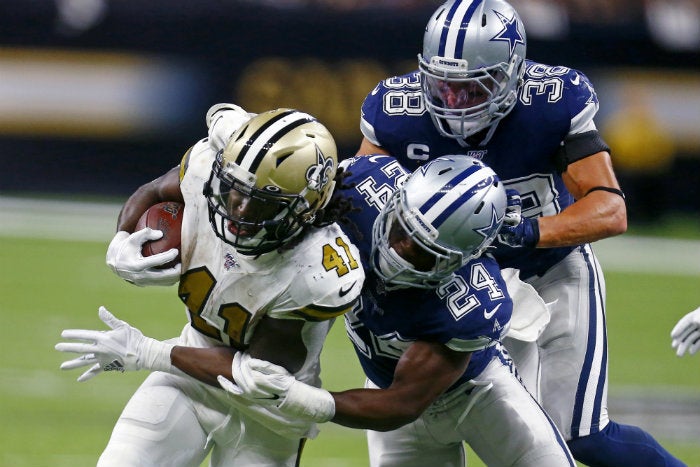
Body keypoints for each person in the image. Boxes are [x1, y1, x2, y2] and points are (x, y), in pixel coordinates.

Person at [355, 0, 686, 466]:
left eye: (473, 87)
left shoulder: (551, 101)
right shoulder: (397, 112)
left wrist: (527, 231)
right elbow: (369, 204)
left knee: (581, 436)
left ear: (512, 73)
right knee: (465, 417)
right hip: (462, 286)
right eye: (443, 85)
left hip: (550, 270)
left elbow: (609, 209)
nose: (454, 101)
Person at [55, 107, 365, 467]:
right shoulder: (213, 166)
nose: (240, 211)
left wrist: (150, 353)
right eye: (235, 193)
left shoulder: (316, 269)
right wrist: (123, 238)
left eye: (262, 204)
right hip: (187, 380)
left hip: (268, 415)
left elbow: (254, 372)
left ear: (308, 207)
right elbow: (154, 190)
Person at [224, 154, 576, 466]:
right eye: (400, 229)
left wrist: (300, 397)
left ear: (461, 259)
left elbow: (402, 403)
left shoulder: (470, 303)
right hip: (387, 394)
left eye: (422, 251)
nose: (399, 249)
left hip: (478, 396)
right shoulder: (358, 190)